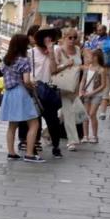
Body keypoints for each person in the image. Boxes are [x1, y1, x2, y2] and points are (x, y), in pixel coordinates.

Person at [0, 34, 44, 162]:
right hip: (21, 93)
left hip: (9, 93)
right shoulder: (24, 60)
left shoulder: (5, 60)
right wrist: (32, 85)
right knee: (34, 123)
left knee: (12, 125)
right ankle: (30, 153)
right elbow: (26, 80)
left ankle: (11, 152)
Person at [28, 28, 65, 158]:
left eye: (50, 37)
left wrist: (50, 53)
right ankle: (33, 145)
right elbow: (28, 72)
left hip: (48, 90)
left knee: (53, 121)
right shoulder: (31, 53)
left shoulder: (54, 51)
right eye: (46, 37)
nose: (49, 39)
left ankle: (56, 145)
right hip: (35, 90)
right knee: (34, 121)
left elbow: (54, 70)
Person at [53, 28, 85, 151]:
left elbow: (78, 68)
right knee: (68, 112)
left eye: (74, 37)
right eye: (70, 37)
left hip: (74, 86)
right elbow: (54, 68)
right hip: (63, 85)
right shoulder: (59, 50)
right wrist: (66, 65)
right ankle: (72, 141)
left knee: (64, 114)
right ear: (64, 37)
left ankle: (47, 134)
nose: (72, 40)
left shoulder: (77, 50)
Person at [80, 49, 107, 143]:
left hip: (96, 94)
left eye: (90, 56)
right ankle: (85, 135)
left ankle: (95, 135)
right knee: (85, 115)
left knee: (92, 114)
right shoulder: (87, 68)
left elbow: (103, 85)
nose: (88, 58)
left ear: (95, 57)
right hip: (86, 93)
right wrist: (81, 91)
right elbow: (83, 80)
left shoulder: (101, 70)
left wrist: (92, 93)